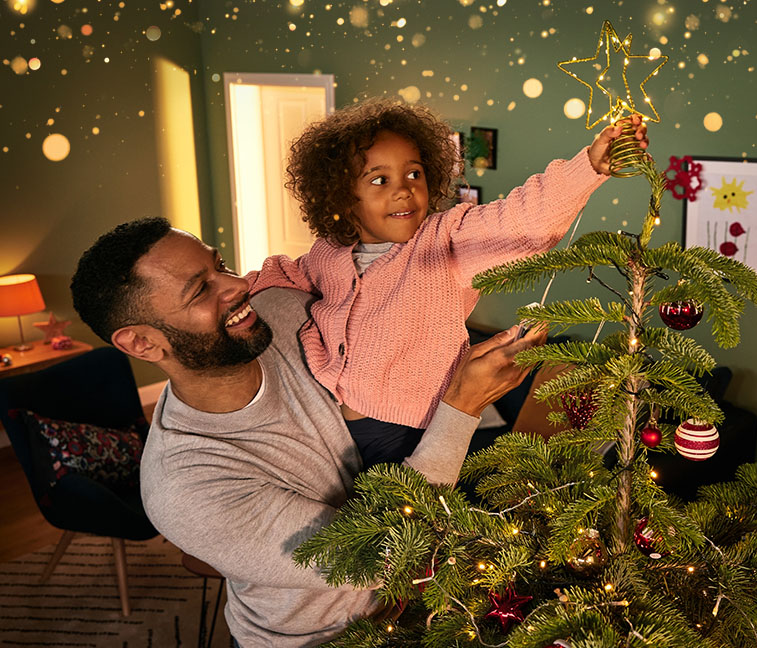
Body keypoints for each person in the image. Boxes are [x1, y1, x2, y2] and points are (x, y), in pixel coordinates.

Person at [69, 218, 547, 647]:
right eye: (200, 290)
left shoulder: (284, 310)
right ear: (141, 342)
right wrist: (462, 404)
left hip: (422, 602)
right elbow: (379, 556)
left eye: (221, 265)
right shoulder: (186, 486)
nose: (238, 285)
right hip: (321, 639)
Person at [247, 99, 648, 468]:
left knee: (428, 529)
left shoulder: (445, 242)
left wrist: (588, 169)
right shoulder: (328, 254)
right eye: (378, 180)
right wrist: (226, 288)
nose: (404, 189)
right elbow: (283, 273)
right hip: (340, 431)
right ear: (341, 197)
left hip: (420, 429)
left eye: (413, 173)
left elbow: (520, 220)